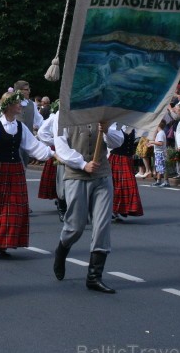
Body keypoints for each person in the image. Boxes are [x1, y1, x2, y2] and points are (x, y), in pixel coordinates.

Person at [0, 90, 54, 257]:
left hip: (15, 169)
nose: (20, 106)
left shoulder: (21, 126)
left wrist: (54, 153)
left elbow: (35, 147)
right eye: (17, 103)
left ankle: (1, 243)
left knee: (16, 207)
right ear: (8, 106)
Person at [51, 113, 123, 293]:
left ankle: (94, 276)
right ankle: (62, 249)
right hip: (77, 175)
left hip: (102, 175)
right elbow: (61, 148)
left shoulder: (104, 112)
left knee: (102, 225)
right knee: (75, 226)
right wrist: (83, 164)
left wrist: (106, 131)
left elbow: (117, 141)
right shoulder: (64, 114)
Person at [36, 112, 66, 221]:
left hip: (75, 150)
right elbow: (41, 132)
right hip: (60, 151)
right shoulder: (57, 115)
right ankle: (62, 206)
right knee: (60, 178)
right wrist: (54, 142)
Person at [109, 126, 144, 221]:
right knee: (117, 186)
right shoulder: (115, 128)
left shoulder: (133, 128)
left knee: (128, 186)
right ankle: (114, 211)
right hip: (117, 158)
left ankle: (120, 210)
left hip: (127, 160)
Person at [149, 120, 168, 187]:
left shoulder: (160, 133)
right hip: (158, 152)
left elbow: (160, 143)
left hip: (160, 153)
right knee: (159, 167)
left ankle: (166, 181)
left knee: (162, 167)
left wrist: (152, 142)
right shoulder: (160, 133)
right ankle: (158, 180)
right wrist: (152, 144)